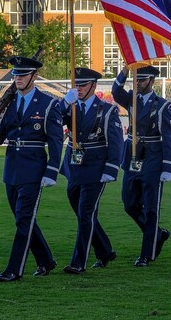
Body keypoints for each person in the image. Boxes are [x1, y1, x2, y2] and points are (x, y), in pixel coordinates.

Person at [0, 56, 63, 282]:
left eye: (23, 75)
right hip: (12, 168)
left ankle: (14, 269)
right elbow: (3, 132)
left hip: (34, 168)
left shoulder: (48, 104)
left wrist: (52, 170)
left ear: (34, 77)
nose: (18, 79)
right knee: (22, 219)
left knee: (24, 218)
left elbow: (55, 140)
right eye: (15, 75)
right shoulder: (10, 102)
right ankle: (46, 260)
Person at [60, 68, 123, 274]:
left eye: (83, 85)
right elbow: (53, 120)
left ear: (93, 86)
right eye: (76, 84)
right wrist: (64, 104)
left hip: (95, 168)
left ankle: (79, 262)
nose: (78, 89)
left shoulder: (107, 110)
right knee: (82, 213)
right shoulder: (70, 106)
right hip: (74, 167)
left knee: (86, 213)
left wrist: (111, 169)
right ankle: (105, 250)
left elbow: (115, 142)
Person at [112, 66, 171, 267]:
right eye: (135, 80)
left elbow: (169, 138)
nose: (137, 83)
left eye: (141, 80)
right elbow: (115, 91)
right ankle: (157, 233)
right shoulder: (131, 99)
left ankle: (147, 254)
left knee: (150, 209)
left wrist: (167, 167)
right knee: (129, 204)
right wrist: (124, 70)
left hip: (153, 158)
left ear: (152, 82)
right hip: (132, 156)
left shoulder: (163, 106)